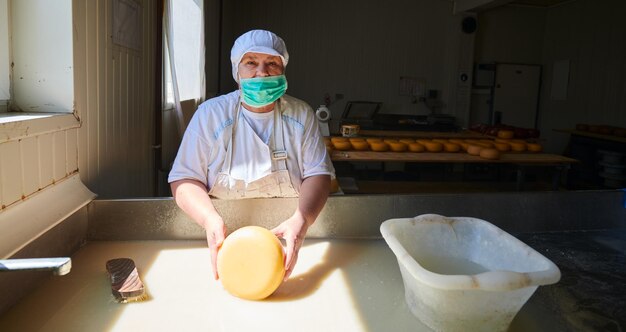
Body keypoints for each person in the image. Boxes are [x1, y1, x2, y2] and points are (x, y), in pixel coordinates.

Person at [168, 29, 335, 282]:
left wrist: (302, 221)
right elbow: (184, 179)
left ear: (283, 69)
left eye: (271, 63)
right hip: (223, 241)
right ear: (237, 71)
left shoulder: (301, 114)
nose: (262, 72)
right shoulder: (210, 115)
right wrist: (209, 219)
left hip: (292, 239)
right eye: (251, 63)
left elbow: (318, 174)